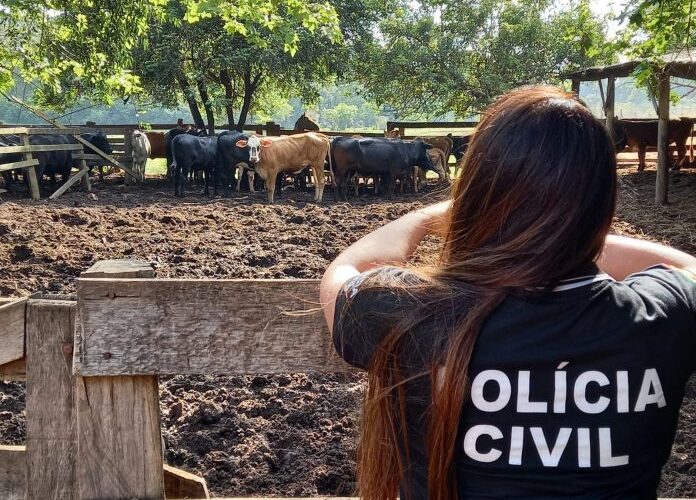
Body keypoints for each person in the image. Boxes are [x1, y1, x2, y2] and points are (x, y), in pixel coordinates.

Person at [319, 86, 696, 500]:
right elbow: (688, 266)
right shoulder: (661, 317)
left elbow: (350, 271)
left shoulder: (411, 310)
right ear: (602, 203)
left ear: (477, 195)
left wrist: (432, 216)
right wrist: (566, 233)